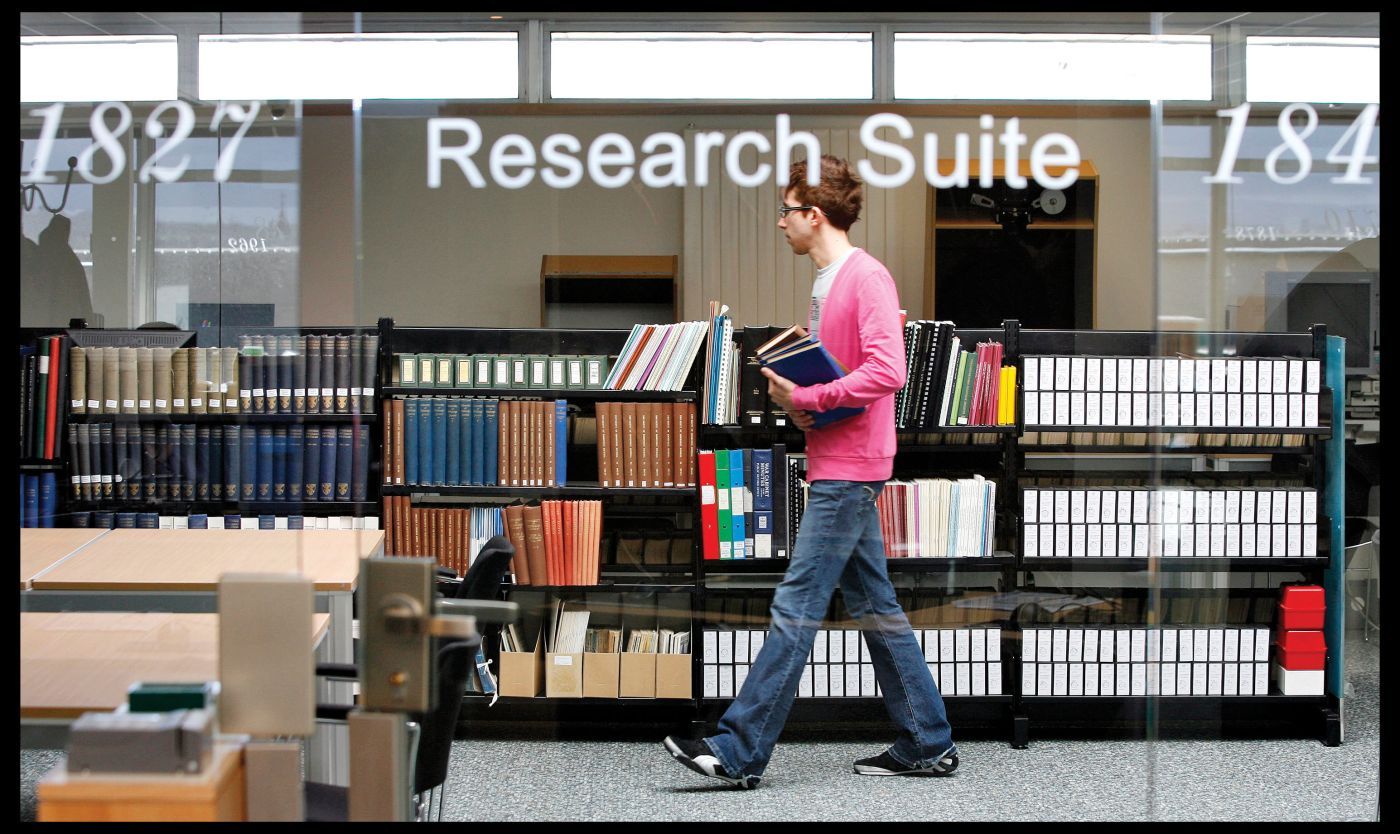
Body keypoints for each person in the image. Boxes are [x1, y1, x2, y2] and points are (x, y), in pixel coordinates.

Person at [664, 155, 957, 789]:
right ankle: (926, 739)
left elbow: (888, 373)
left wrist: (807, 401)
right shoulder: (829, 282)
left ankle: (739, 751)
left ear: (813, 214)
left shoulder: (866, 277)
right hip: (837, 457)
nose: (780, 224)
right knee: (875, 605)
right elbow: (845, 376)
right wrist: (805, 410)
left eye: (786, 211)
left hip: (851, 470)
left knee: (795, 606)